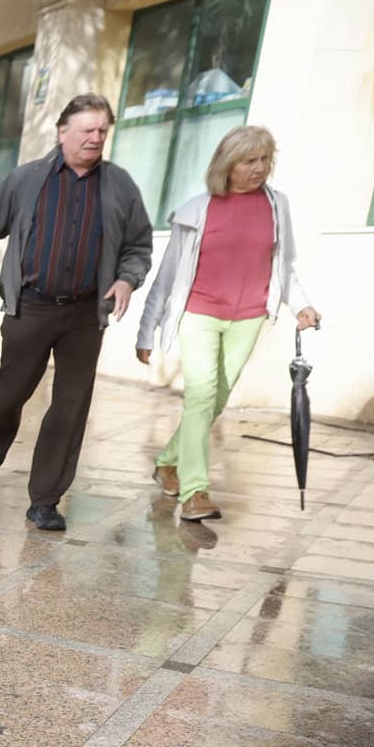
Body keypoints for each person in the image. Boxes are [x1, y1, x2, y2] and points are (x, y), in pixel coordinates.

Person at [0, 93, 154, 532]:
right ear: (62, 132)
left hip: (86, 314)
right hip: (31, 308)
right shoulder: (27, 180)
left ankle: (45, 499)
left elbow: (139, 245)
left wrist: (126, 278)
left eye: (102, 130)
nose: (95, 138)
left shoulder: (119, 185)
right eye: (86, 129)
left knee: (70, 406)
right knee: (10, 394)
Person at [135, 125, 318, 522]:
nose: (259, 168)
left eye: (265, 159)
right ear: (227, 164)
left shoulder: (276, 205)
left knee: (216, 399)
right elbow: (167, 277)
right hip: (199, 313)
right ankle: (194, 490)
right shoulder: (198, 209)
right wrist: (145, 330)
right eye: (249, 160)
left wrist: (300, 305)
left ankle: (167, 461)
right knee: (201, 395)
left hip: (248, 317)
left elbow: (284, 266)